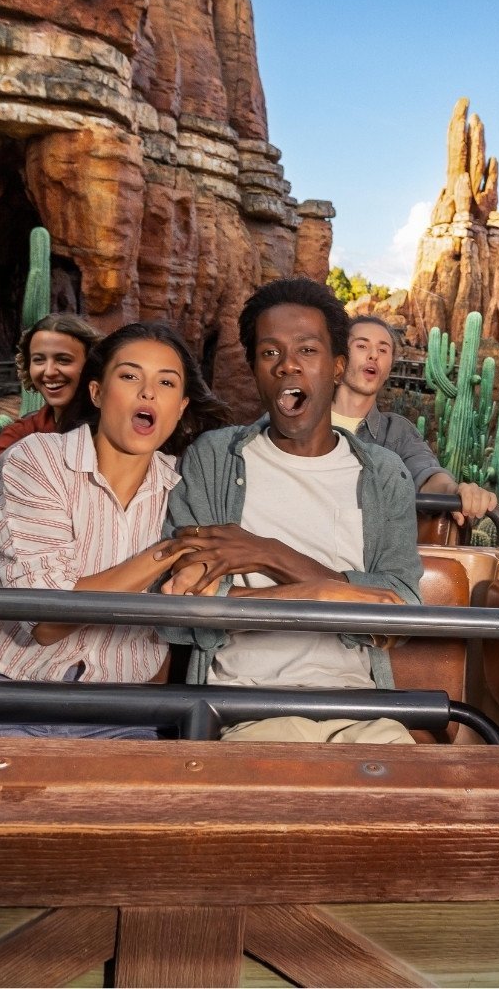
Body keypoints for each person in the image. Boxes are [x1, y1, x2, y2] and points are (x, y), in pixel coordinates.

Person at [156, 278, 424, 745]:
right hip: (242, 708)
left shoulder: (383, 473)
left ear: (338, 366)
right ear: (256, 369)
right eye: (270, 353)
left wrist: (266, 554)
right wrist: (328, 596)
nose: (288, 366)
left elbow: (400, 612)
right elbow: (182, 610)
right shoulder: (214, 458)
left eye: (307, 350)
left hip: (360, 707)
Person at [0, 322, 231, 739]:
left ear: (180, 407)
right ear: (98, 393)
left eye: (166, 382)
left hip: (126, 713)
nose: (148, 393)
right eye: (130, 376)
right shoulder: (37, 461)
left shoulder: (185, 487)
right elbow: (48, 620)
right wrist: (175, 548)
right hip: (16, 699)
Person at [330, 314, 497, 526]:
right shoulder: (302, 421)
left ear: (389, 366)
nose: (373, 355)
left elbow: (427, 475)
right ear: (339, 359)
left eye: (383, 350)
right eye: (362, 346)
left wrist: (455, 490)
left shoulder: (397, 432)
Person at [0, 313, 101, 491]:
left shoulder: (116, 428)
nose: (49, 371)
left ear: (92, 365)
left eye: (63, 360)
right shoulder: (22, 432)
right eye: (39, 360)